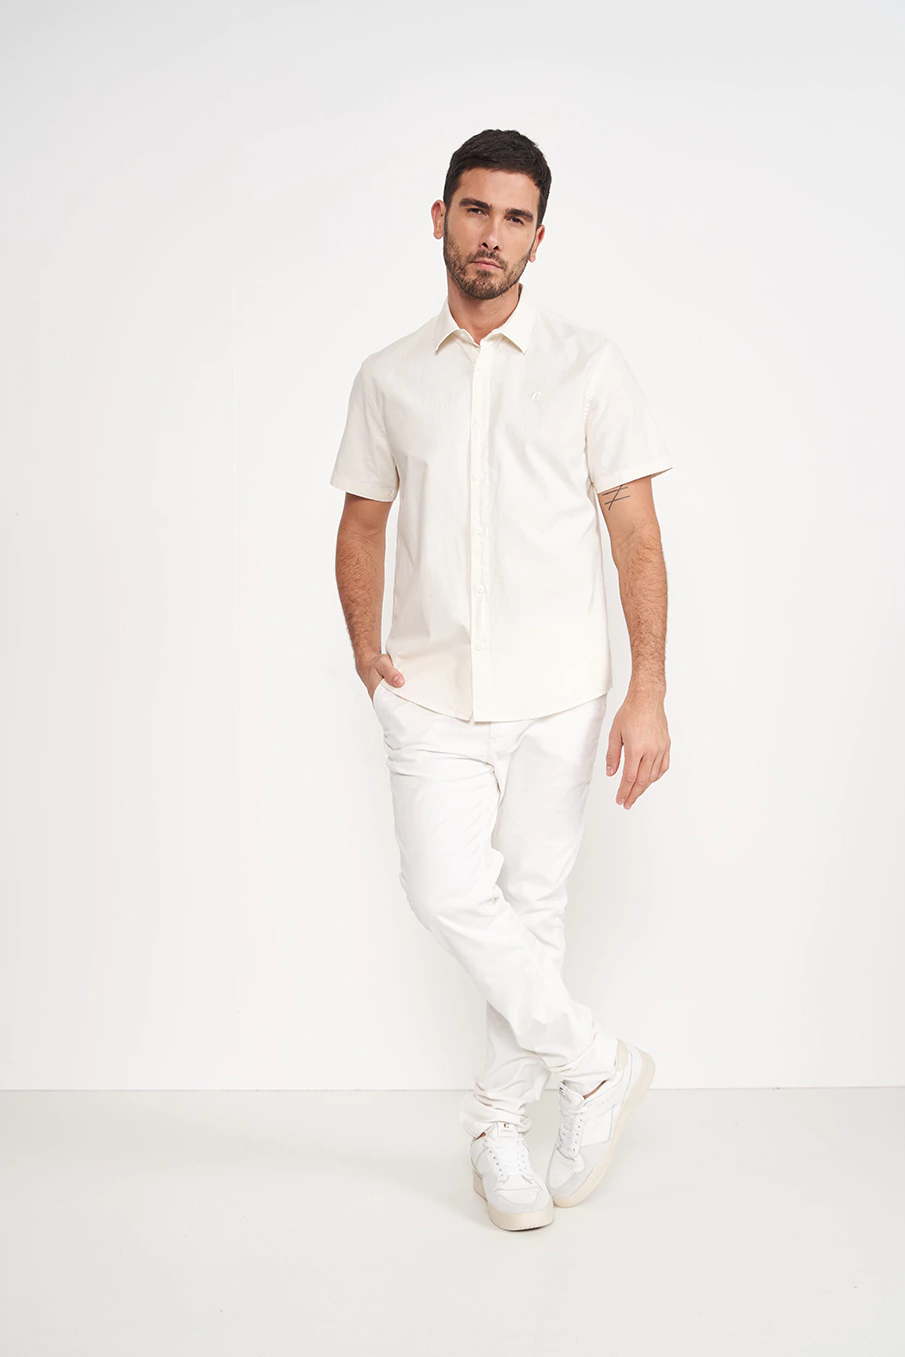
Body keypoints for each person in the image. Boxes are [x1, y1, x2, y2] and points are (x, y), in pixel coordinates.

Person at [329, 128, 672, 1231]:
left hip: (560, 689)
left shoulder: (589, 366)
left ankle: (496, 1126)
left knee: (530, 910)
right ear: (440, 218)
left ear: (537, 237)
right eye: (475, 210)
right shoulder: (387, 376)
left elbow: (634, 532)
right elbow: (362, 521)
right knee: (444, 891)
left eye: (515, 218)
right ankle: (596, 1062)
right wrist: (366, 652)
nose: (492, 235)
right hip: (427, 686)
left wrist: (647, 689)